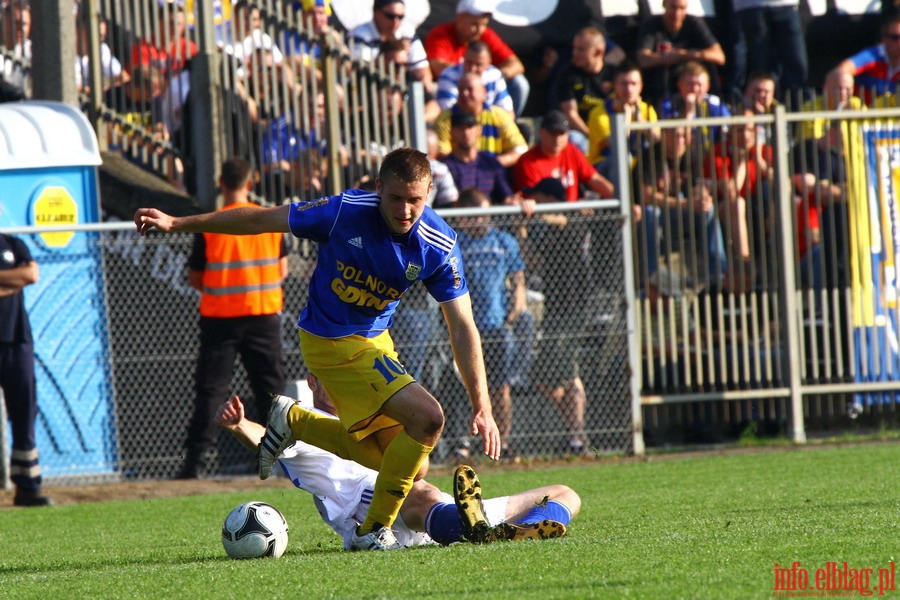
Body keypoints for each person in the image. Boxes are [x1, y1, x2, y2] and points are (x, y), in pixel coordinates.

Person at [135, 147, 501, 552]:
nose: (404, 210)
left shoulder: (440, 244)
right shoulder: (344, 211)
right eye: (395, 198)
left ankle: (295, 421)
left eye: (415, 199)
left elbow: (463, 325)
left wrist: (481, 405)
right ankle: (370, 531)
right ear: (378, 188)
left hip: (375, 342)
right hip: (329, 341)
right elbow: (259, 218)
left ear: (430, 191)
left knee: (412, 465)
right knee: (429, 418)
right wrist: (177, 223)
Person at [214, 375, 577, 547]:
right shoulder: (304, 421)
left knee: (566, 494)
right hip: (365, 511)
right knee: (417, 489)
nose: (339, 386)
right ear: (312, 382)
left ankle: (514, 532)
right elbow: (268, 438)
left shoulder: (371, 410)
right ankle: (472, 527)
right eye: (328, 379)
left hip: (426, 516)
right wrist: (238, 424)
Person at [177, 157, 290, 479]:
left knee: (211, 390)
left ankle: (195, 464)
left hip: (220, 319)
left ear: (221, 183)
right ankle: (283, 458)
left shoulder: (210, 223)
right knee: (271, 390)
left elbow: (196, 277)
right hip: (263, 313)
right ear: (251, 183)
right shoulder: (268, 218)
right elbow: (282, 270)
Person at [518, 177, 592, 454]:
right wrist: (522, 225)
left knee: (561, 373)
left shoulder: (571, 218)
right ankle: (577, 432)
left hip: (574, 306)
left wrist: (536, 212)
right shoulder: (545, 229)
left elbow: (565, 221)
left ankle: (577, 434)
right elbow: (533, 260)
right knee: (550, 375)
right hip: (556, 307)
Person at [455, 189, 528, 457]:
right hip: (466, 328)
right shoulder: (456, 243)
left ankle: (503, 442)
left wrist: (512, 318)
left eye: (485, 214)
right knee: (468, 386)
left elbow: (518, 282)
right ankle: (465, 442)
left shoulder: (504, 241)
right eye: (474, 216)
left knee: (500, 386)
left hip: (498, 327)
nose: (481, 221)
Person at [0, 233, 52, 506]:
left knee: (24, 412)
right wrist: (13, 281)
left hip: (16, 340)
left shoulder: (12, 244)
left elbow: (31, 275)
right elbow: (21, 279)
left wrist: (17, 280)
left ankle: (27, 488)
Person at [702, 111, 773, 293]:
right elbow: (732, 192)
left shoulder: (765, 151)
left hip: (760, 210)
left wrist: (759, 161)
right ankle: (744, 262)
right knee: (738, 203)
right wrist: (742, 161)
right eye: (740, 130)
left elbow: (783, 185)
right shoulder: (718, 152)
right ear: (731, 133)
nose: (746, 135)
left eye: (750, 129)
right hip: (726, 209)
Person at [424, 0, 529, 116]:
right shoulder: (440, 34)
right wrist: (469, 76)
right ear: (460, 18)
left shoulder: (486, 35)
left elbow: (516, 64)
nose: (480, 30)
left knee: (519, 83)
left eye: (484, 24)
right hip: (451, 87)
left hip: (485, 90)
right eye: (474, 24)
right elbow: (437, 66)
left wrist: (495, 76)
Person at [635, 0, 726, 105]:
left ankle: (715, 105)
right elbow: (642, 59)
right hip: (664, 79)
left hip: (690, 74)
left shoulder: (693, 22)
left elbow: (719, 56)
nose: (677, 13)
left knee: (708, 66)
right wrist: (666, 59)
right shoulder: (652, 24)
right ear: (664, 4)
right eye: (673, 7)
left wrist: (684, 55)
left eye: (682, 8)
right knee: (661, 69)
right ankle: (662, 109)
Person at [513, 109, 614, 201]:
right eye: (553, 133)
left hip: (572, 214)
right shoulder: (528, 161)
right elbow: (534, 199)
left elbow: (594, 179)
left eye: (561, 133)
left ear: (567, 135)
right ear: (541, 132)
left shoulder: (571, 150)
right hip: (543, 218)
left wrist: (621, 199)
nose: (557, 139)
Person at [553, 26, 624, 154]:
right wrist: (594, 136)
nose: (574, 53)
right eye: (574, 48)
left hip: (613, 133)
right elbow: (571, 114)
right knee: (573, 138)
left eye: (581, 50)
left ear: (598, 52)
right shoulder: (567, 74)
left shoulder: (615, 74)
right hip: (585, 134)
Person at [434, 73, 528, 168]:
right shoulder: (445, 119)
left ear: (483, 92)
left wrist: (491, 166)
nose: (464, 93)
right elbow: (443, 155)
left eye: (470, 89)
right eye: (461, 89)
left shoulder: (498, 115)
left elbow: (520, 149)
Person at [586, 62, 660, 177]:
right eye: (624, 84)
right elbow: (618, 146)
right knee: (624, 159)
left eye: (633, 84)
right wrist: (627, 118)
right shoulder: (599, 113)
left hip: (638, 165)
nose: (629, 89)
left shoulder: (647, 109)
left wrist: (639, 119)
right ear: (614, 86)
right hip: (604, 165)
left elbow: (657, 140)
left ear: (641, 86)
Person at [732, 0, 808, 104]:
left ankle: (799, 113)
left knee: (796, 67)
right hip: (750, 6)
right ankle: (764, 113)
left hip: (787, 5)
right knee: (761, 71)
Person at [347, 0, 432, 90]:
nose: (395, 21)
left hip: (401, 91)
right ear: (376, 12)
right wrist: (393, 51)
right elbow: (359, 70)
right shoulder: (359, 35)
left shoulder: (408, 32)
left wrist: (424, 87)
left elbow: (422, 70)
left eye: (400, 17)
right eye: (390, 16)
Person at [438, 110, 515, 206]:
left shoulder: (492, 165)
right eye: (460, 128)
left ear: (479, 130)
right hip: (456, 220)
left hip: (488, 219)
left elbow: (506, 196)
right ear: (452, 132)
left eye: (470, 127)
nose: (466, 132)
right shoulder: (444, 166)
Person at [659, 61, 732, 153]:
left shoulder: (716, 104)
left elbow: (729, 132)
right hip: (682, 159)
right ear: (680, 85)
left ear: (707, 87)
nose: (695, 89)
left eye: (699, 85)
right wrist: (689, 113)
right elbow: (673, 139)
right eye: (690, 84)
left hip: (711, 159)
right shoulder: (668, 105)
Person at [835, 14, 900, 105]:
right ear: (884, 38)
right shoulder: (873, 55)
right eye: (895, 37)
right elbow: (842, 70)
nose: (899, 43)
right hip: (862, 115)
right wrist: (844, 80)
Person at [436, 41, 514, 115]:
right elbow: (448, 111)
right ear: (464, 58)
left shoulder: (495, 75)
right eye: (469, 63)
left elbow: (507, 111)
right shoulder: (449, 76)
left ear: (488, 63)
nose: (472, 69)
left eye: (478, 64)